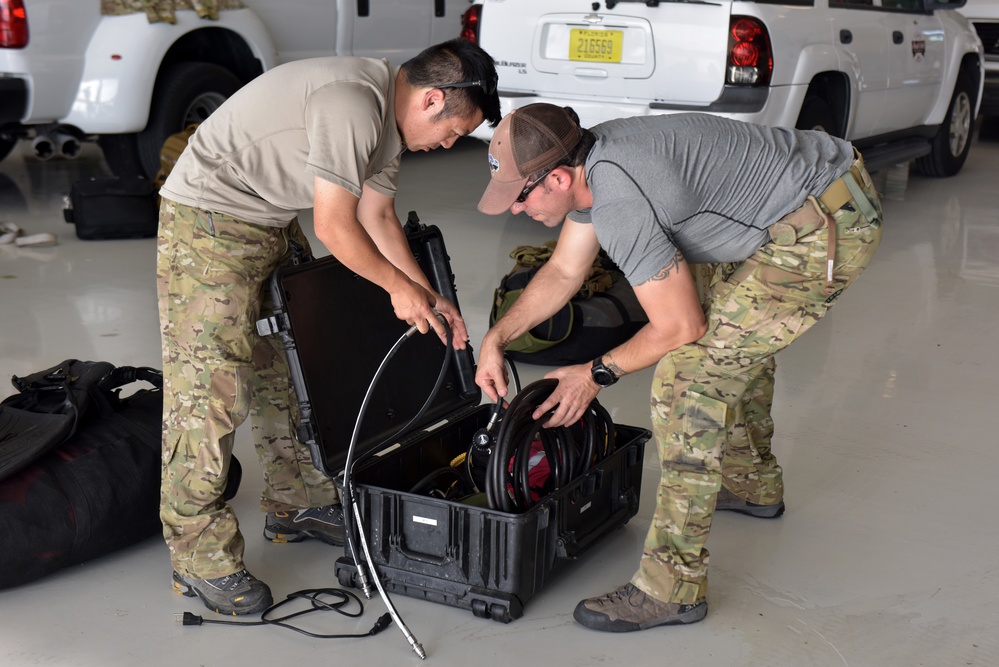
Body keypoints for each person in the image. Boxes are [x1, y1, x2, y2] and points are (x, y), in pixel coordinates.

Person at [475, 104, 882, 632]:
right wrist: (497, 337)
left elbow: (679, 327)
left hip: (823, 224)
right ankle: (752, 483)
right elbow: (563, 269)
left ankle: (672, 588)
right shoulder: (591, 159)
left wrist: (592, 373)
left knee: (688, 378)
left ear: (556, 177)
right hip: (798, 196)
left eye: (520, 197)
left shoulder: (621, 200)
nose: (515, 211)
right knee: (731, 340)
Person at [156, 39, 501, 616]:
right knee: (211, 391)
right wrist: (399, 289)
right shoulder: (352, 103)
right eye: (453, 132)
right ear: (432, 99)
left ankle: (295, 501)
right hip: (211, 219)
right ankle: (197, 555)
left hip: (266, 217)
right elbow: (337, 228)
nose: (449, 144)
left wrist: (431, 296)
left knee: (289, 370)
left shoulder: (388, 120)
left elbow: (378, 215)